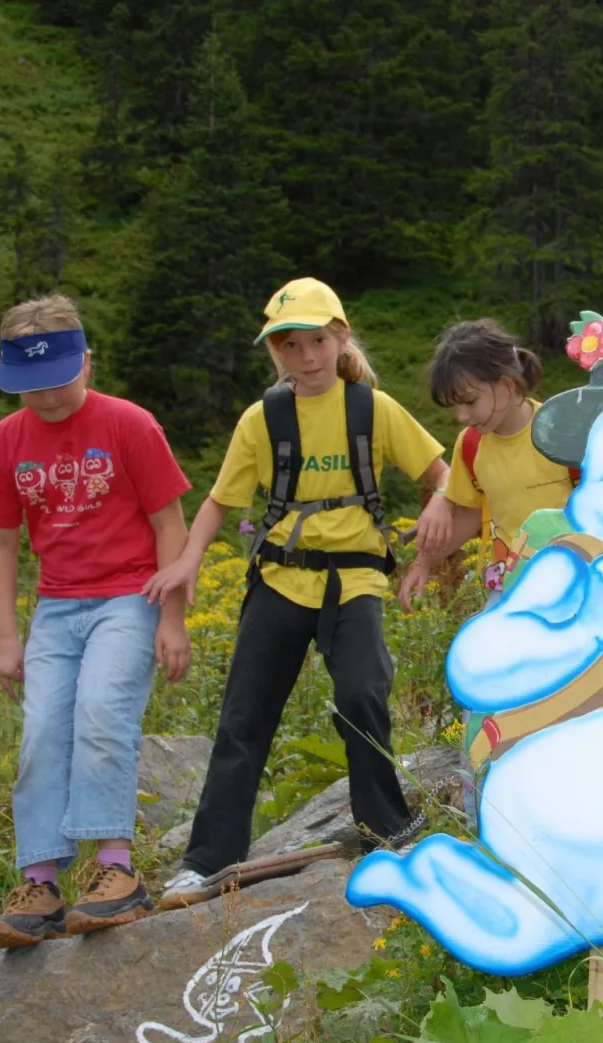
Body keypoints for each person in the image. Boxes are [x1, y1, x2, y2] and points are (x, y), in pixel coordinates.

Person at [146, 277, 453, 909]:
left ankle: (388, 833)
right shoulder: (262, 419)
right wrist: (189, 561)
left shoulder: (372, 409)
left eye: (317, 341)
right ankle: (206, 861)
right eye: (291, 345)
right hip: (281, 578)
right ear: (275, 351)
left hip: (355, 578)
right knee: (245, 716)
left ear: (340, 339)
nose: (307, 357)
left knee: (362, 694)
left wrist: (435, 524)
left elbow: (442, 474)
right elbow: (220, 501)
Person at [0, 293, 192, 949]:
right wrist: (5, 638)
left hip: (131, 596)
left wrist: (172, 619)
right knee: (42, 730)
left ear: (87, 362)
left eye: (58, 381)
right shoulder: (5, 441)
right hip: (56, 607)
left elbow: (169, 524)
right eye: (30, 386)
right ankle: (39, 883)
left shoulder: (130, 425)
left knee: (101, 712)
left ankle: (116, 868)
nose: (46, 397)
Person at [397, 318, 577, 611]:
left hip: (573, 583)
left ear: (506, 385)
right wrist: (423, 563)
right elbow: (470, 513)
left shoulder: (562, 434)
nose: (461, 416)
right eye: (455, 406)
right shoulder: (470, 445)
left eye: (469, 402)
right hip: (507, 588)